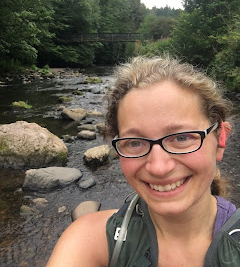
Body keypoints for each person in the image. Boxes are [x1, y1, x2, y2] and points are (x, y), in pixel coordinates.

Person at [46, 55, 240, 267]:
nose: (158, 167)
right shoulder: (90, 240)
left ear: (220, 138)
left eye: (182, 138)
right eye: (135, 142)